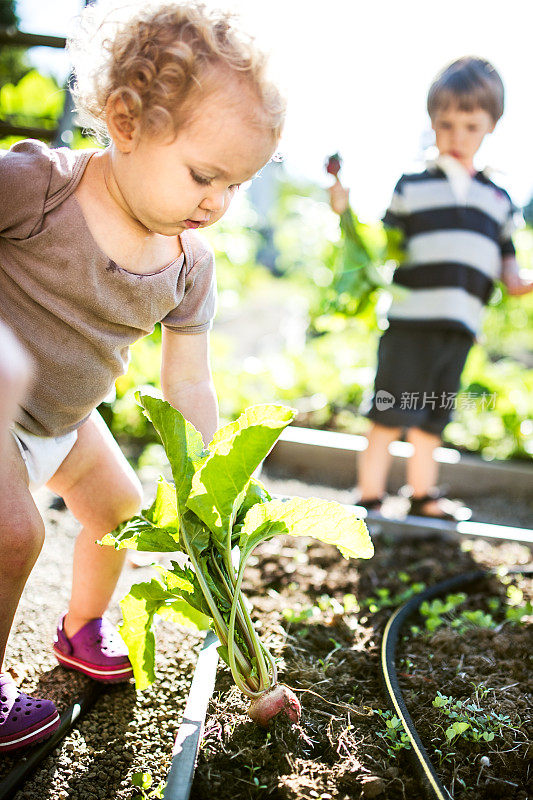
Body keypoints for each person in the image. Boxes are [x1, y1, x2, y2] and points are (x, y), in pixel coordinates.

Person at [0, 0, 284, 752]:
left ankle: (80, 629)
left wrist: (210, 479)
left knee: (118, 513)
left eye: (235, 185)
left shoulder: (189, 264)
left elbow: (188, 380)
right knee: (12, 533)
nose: (217, 202)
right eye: (203, 174)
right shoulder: (40, 187)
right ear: (125, 123)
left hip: (65, 419)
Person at [329, 56, 533, 519]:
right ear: (432, 123)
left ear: (491, 127)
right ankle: (369, 496)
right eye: (446, 124)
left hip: (460, 327)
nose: (457, 136)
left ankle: (422, 496)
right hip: (409, 322)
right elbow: (379, 247)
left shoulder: (498, 200)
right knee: (388, 411)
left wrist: (523, 283)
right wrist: (343, 210)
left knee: (432, 417)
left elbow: (512, 274)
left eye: (471, 125)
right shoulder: (412, 186)